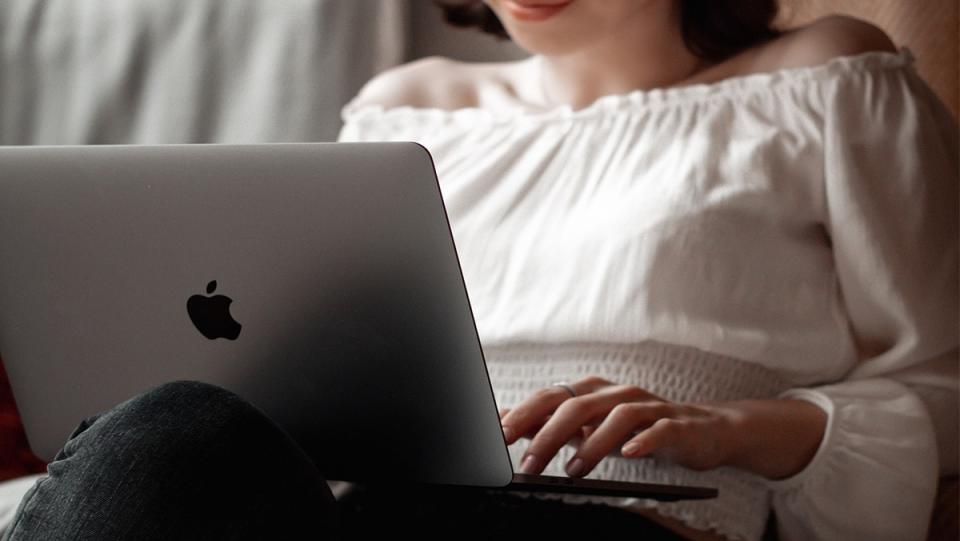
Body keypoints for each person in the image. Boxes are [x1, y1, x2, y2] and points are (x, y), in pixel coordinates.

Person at [2, 1, 957, 540]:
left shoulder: (829, 80)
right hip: (357, 510)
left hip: (619, 522)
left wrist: (733, 428)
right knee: (169, 431)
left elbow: (946, 379)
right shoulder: (404, 108)